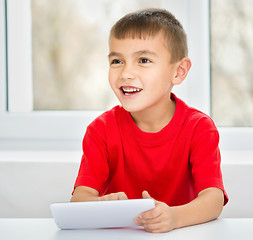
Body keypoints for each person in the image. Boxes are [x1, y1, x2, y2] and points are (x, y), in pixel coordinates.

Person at [71, 8, 228, 233]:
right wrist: (100, 206)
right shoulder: (100, 130)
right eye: (117, 61)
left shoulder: (199, 128)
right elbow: (79, 200)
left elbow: (213, 200)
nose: (126, 73)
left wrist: (174, 217)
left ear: (179, 71)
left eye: (143, 60)